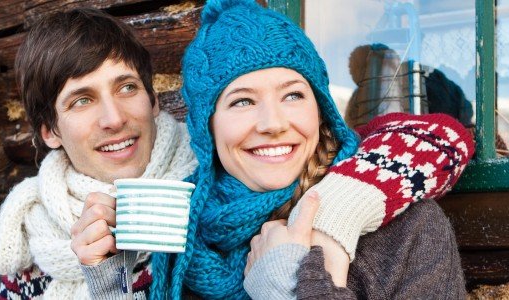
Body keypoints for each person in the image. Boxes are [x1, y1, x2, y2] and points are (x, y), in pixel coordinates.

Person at [72, 0, 476, 298]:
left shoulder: (407, 230)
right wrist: (113, 282)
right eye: (242, 101)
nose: (273, 124)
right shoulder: (187, 239)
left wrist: (289, 283)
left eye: (293, 95)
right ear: (206, 129)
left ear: (321, 112)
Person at [0, 9, 197, 299]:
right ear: (50, 131)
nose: (114, 118)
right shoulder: (31, 247)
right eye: (82, 100)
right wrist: (109, 281)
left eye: (127, 87)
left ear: (152, 100)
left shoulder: (218, 198)